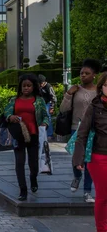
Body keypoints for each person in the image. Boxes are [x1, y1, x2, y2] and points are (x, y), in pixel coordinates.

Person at [60, 58, 101, 203]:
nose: (83, 75)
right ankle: (77, 177)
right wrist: (69, 94)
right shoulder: (75, 89)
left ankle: (87, 192)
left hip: (93, 131)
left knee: (89, 160)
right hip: (75, 129)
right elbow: (63, 109)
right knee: (77, 158)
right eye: (82, 73)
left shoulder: (99, 91)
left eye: (87, 73)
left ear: (94, 75)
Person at [4, 74, 49, 201]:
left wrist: (45, 123)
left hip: (34, 135)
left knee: (33, 163)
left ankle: (33, 178)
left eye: (29, 86)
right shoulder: (14, 100)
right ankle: (23, 190)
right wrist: (9, 117)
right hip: (18, 135)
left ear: (34, 87)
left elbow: (45, 115)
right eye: (24, 86)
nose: (26, 88)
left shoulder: (39, 100)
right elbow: (6, 111)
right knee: (19, 163)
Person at [73, 71, 107, 232]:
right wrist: (78, 158)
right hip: (99, 157)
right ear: (101, 87)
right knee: (104, 195)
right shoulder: (94, 106)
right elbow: (82, 133)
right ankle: (102, 229)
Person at [38, 74, 57, 140]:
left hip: (48, 103)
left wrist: (52, 107)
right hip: (41, 103)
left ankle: (50, 134)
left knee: (48, 117)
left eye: (42, 83)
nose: (41, 85)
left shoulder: (48, 86)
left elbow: (53, 97)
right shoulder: (39, 87)